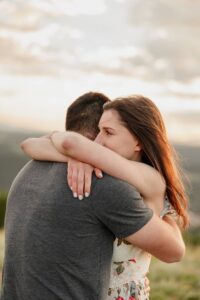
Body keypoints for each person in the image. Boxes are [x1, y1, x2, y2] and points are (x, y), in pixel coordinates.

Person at [21, 95, 188, 300]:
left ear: (138, 141)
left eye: (108, 132)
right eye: (99, 130)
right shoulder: (115, 174)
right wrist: (77, 157)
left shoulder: (150, 178)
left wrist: (73, 151)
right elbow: (28, 145)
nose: (97, 141)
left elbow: (69, 142)